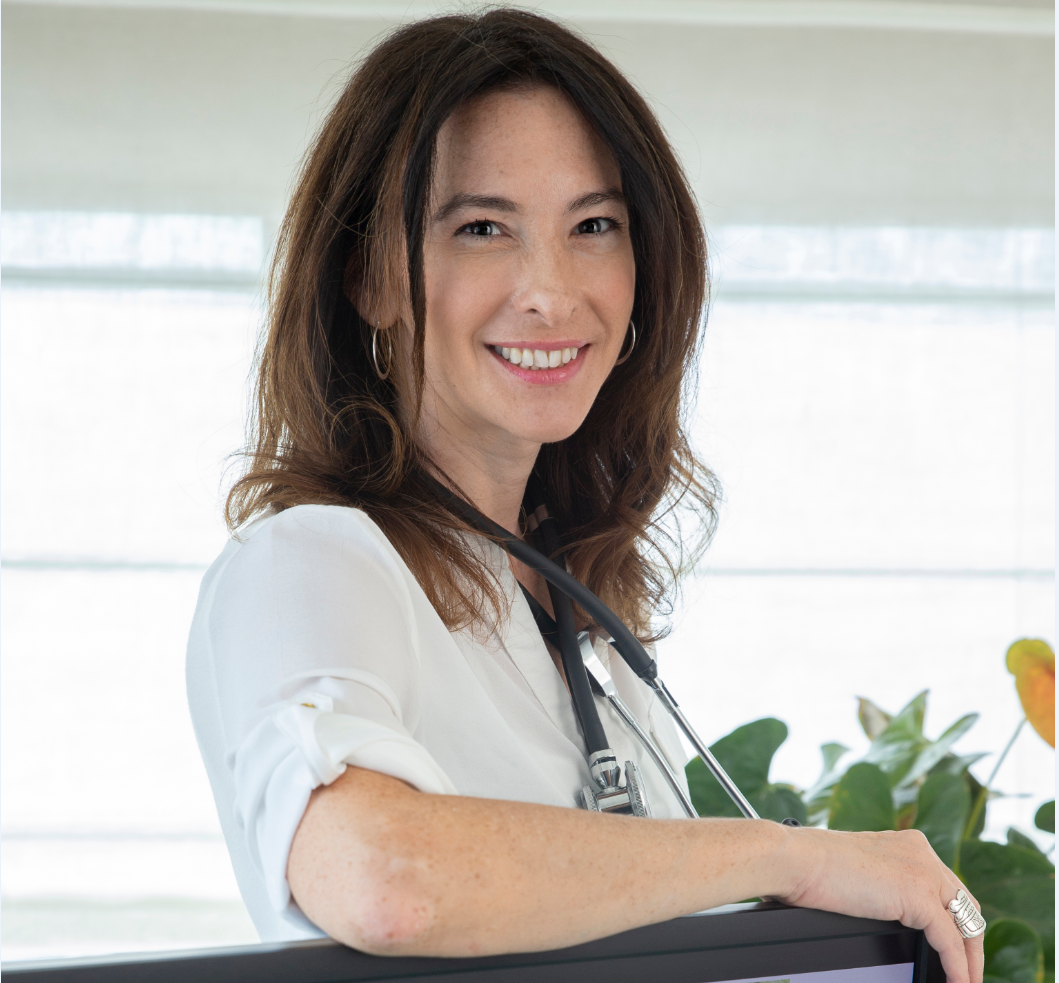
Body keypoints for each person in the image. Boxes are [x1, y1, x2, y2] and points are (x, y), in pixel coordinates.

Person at [185, 9, 984, 980]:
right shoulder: (308, 561)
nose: (552, 292)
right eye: (482, 228)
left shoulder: (570, 610)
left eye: (593, 226)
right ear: (370, 278)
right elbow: (383, 878)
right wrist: (792, 854)